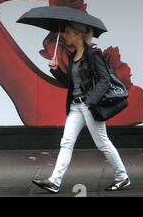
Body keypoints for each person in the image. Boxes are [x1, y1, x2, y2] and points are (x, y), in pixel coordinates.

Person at [32, 21, 130, 193]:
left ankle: (122, 177)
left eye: (68, 32)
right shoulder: (73, 56)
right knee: (66, 142)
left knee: (102, 143)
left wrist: (91, 100)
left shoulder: (93, 54)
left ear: (78, 34)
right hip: (75, 107)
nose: (64, 35)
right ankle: (54, 181)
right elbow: (69, 84)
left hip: (89, 106)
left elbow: (105, 79)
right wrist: (55, 70)